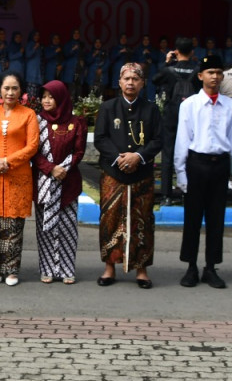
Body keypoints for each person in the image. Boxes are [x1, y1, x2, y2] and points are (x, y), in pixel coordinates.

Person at [173, 54, 232, 288]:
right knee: (192, 217)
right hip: (197, 164)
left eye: (219, 73)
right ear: (200, 76)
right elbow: (183, 139)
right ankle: (190, 266)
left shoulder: (230, 106)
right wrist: (181, 173)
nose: (215, 77)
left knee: (216, 218)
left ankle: (211, 267)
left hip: (219, 164)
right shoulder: (189, 105)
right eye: (210, 72)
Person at [94, 64, 163, 288]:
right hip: (113, 173)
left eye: (136, 78)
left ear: (143, 83)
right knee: (110, 220)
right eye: (126, 78)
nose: (131, 82)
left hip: (141, 174)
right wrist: (120, 158)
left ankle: (141, 269)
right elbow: (101, 138)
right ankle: (109, 268)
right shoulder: (108, 107)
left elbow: (157, 140)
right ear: (119, 82)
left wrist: (138, 157)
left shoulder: (151, 109)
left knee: (142, 220)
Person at [0, 73, 39, 286]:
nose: (10, 92)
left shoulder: (29, 114)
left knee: (14, 225)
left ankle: (12, 270)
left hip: (18, 175)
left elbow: (32, 146)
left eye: (15, 88)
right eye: (6, 88)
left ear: (21, 91)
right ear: (0, 90)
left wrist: (8, 161)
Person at [34, 80, 87, 285]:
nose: (46, 100)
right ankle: (47, 268)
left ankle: (66, 269)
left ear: (62, 99)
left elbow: (79, 151)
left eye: (51, 97)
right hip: (43, 183)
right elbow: (33, 152)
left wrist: (63, 168)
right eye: (44, 96)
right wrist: (50, 169)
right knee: (45, 228)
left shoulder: (76, 122)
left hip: (68, 183)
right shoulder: (37, 121)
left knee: (67, 227)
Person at [152, 37, 198, 203]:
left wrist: (166, 62)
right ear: (192, 52)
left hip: (172, 112)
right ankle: (189, 191)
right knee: (193, 153)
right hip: (193, 114)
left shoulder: (169, 70)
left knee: (168, 154)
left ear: (176, 52)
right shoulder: (197, 70)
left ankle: (166, 195)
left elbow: (155, 80)